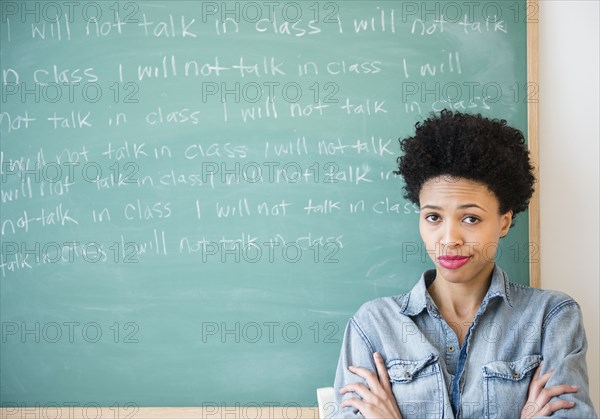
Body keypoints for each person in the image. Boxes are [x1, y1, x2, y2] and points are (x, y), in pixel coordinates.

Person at [333, 111, 596, 418]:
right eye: (433, 217)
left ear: (504, 222)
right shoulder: (374, 326)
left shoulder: (550, 319)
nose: (449, 238)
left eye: (470, 218)